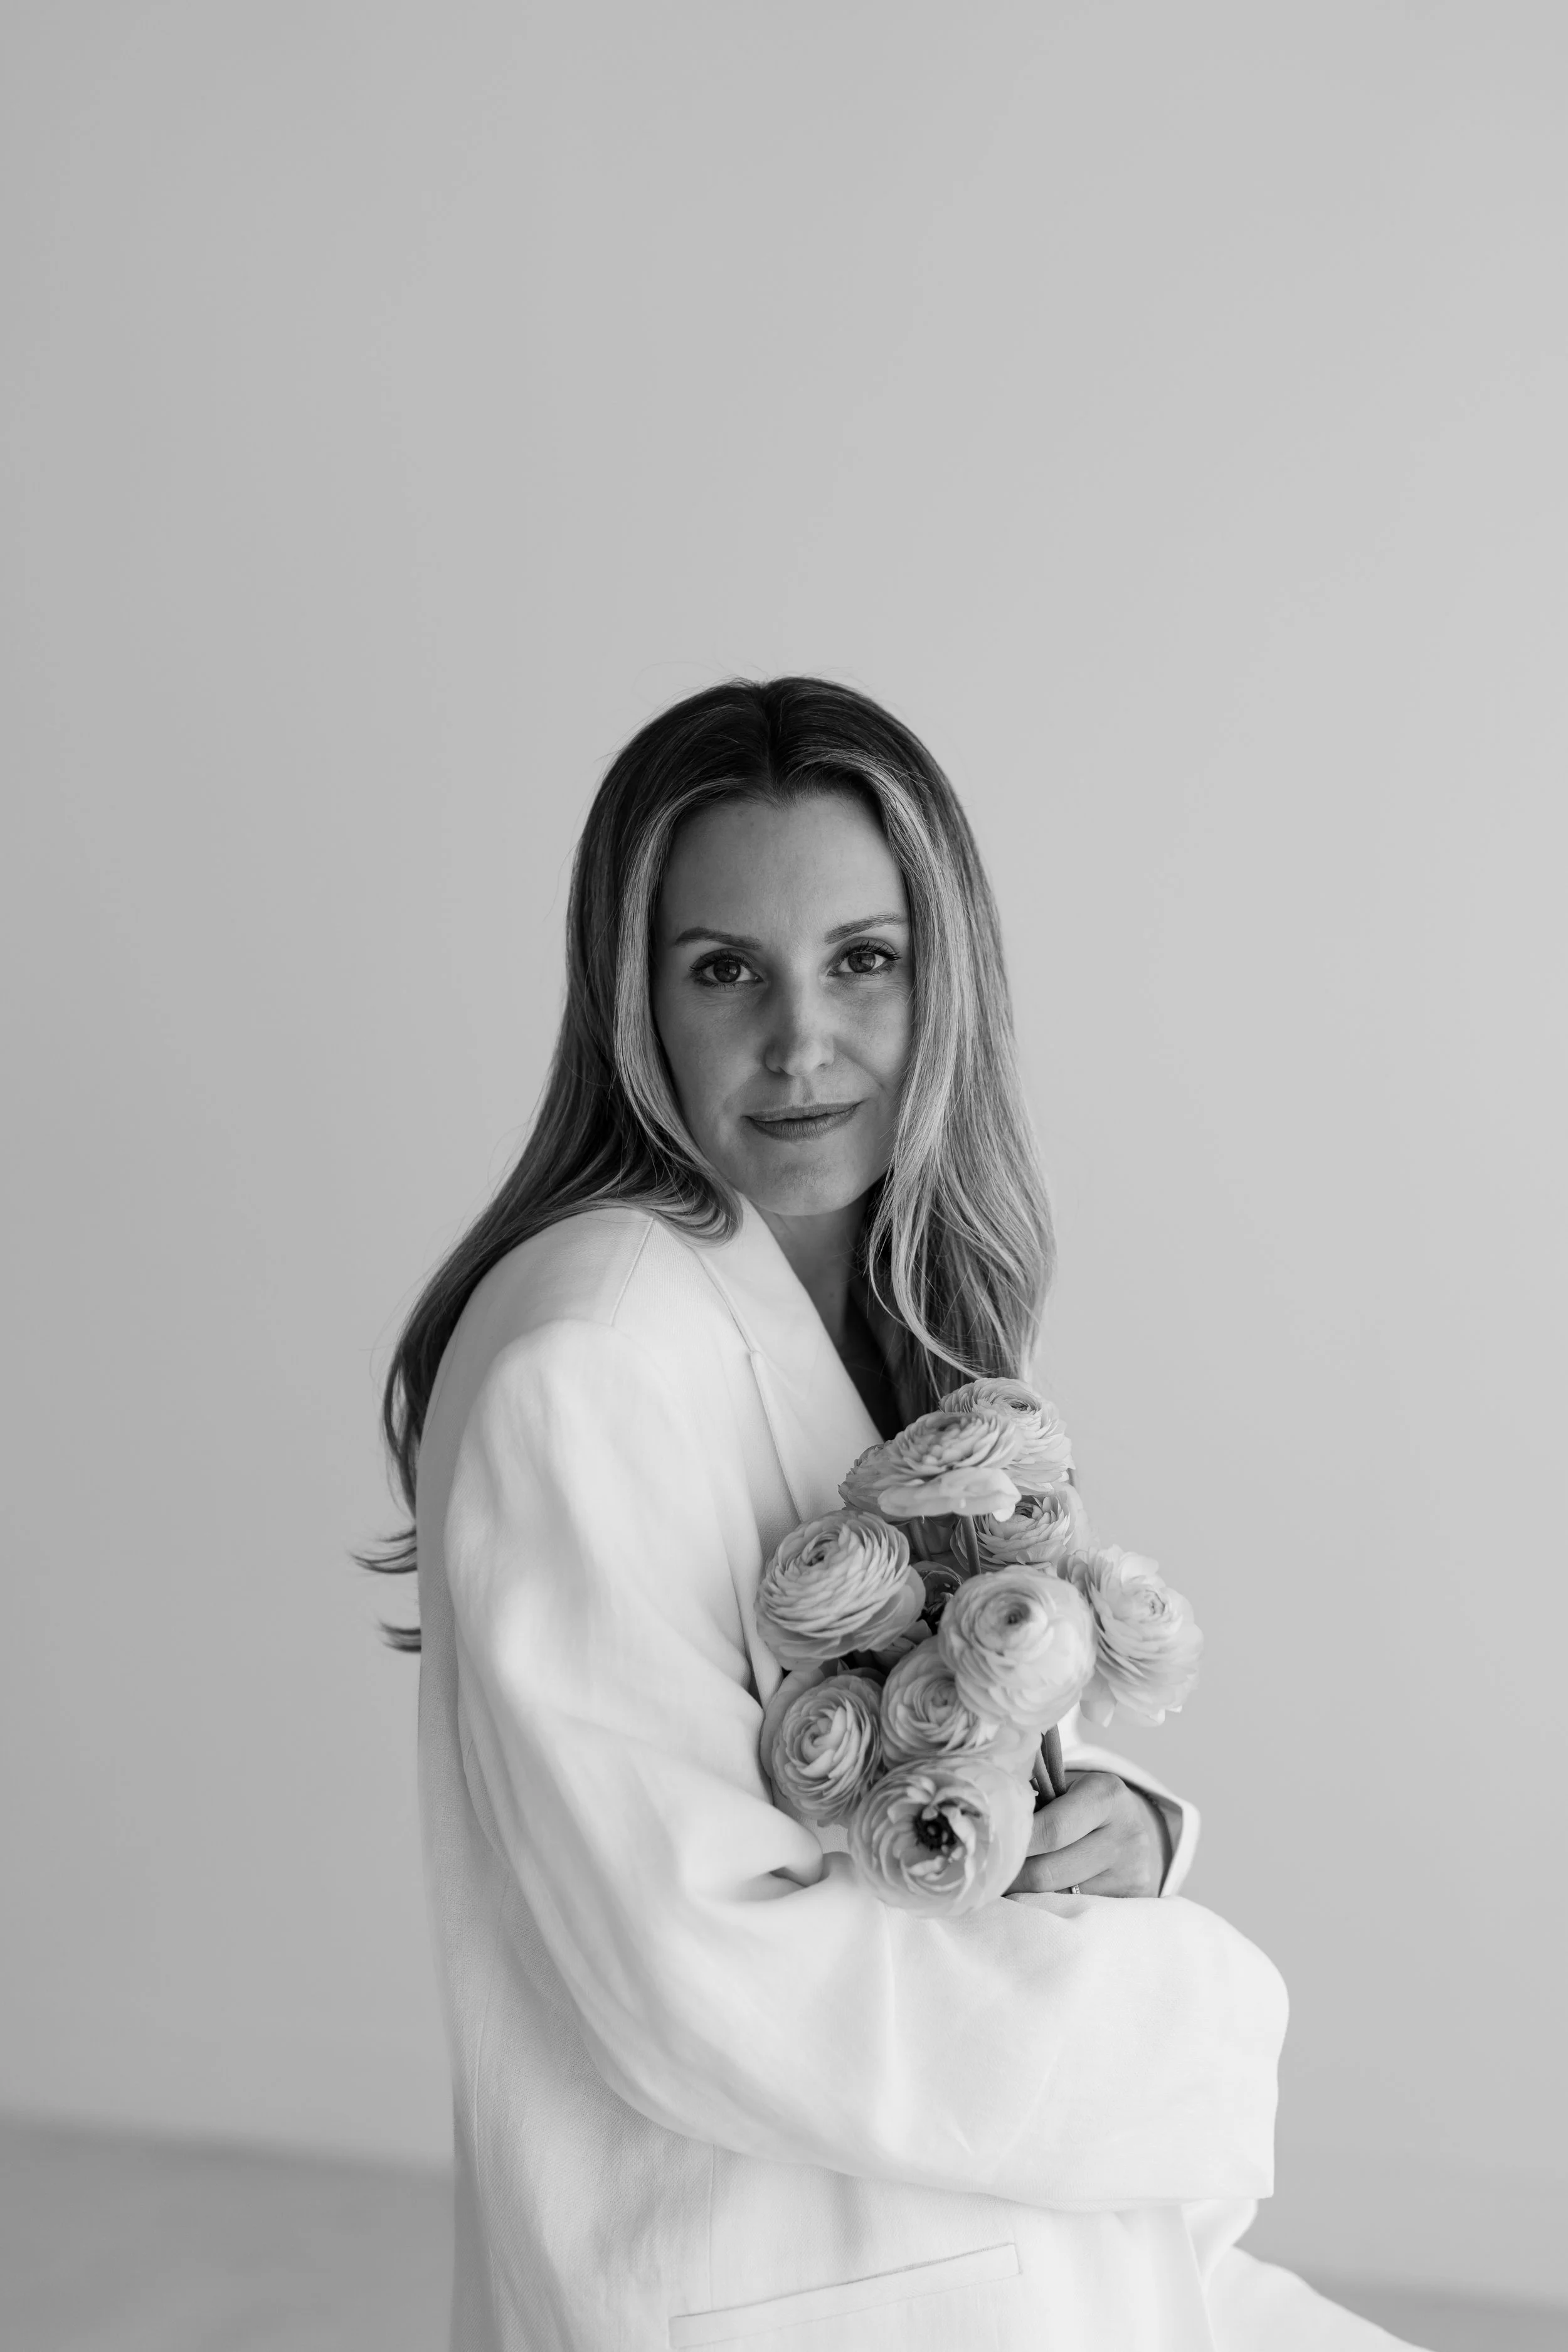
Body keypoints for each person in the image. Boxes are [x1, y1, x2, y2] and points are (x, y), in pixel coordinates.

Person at [369, 679, 1420, 2350]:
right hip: (822, 2289)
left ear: (948, 979)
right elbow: (701, 1971)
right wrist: (1191, 2004)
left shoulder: (872, 1314)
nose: (802, 1041)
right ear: (630, 995)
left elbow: (896, 1777)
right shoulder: (590, 1357)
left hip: (995, 2249)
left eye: (863, 958)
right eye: (725, 969)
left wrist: (1120, 1832)